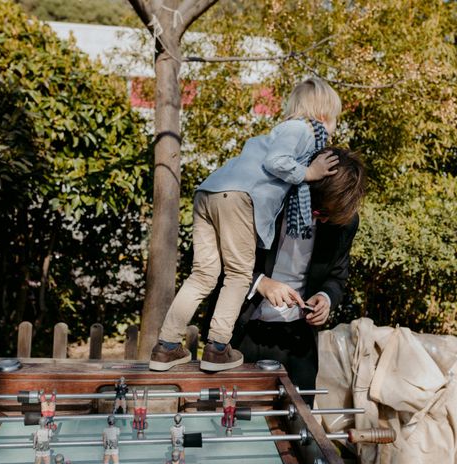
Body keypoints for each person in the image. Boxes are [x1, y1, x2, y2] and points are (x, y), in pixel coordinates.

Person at [150, 78, 342, 373]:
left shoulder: (277, 131)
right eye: (334, 121)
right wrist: (309, 172)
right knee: (239, 275)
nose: (332, 130)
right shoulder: (303, 129)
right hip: (238, 198)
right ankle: (217, 349)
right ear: (323, 114)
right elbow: (277, 162)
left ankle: (167, 346)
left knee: (203, 275)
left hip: (209, 193)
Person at [228, 148, 366, 403]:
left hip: (297, 341)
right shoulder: (266, 203)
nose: (322, 221)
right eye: (318, 212)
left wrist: (326, 298)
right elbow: (222, 260)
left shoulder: (344, 223)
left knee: (297, 427)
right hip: (243, 330)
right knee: (234, 421)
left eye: (329, 218)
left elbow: (337, 276)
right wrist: (261, 283)